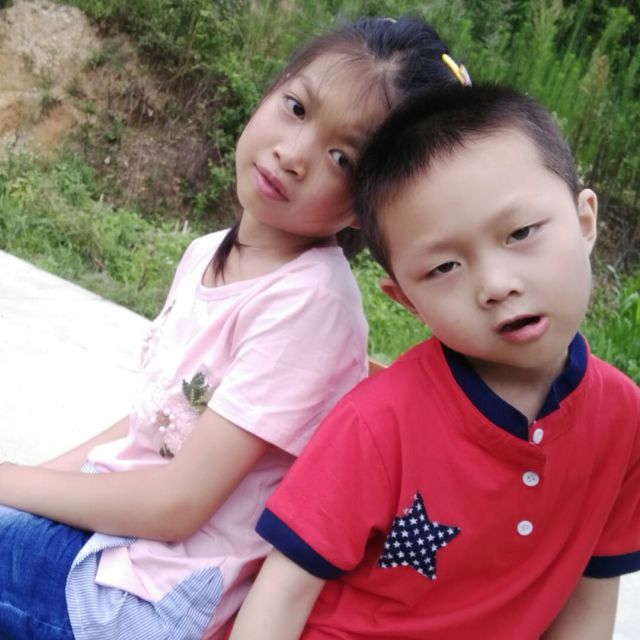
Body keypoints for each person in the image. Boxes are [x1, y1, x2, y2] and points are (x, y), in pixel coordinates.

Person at [0, 16, 471, 640]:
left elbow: (177, 506)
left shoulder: (310, 303)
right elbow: (154, 417)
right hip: (111, 542)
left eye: (341, 157)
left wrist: (9, 483)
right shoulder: (208, 251)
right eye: (296, 107)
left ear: (367, 204)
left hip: (143, 595)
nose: (293, 156)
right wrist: (18, 478)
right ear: (269, 91)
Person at [229, 84, 640, 639]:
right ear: (407, 300)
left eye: (521, 233)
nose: (496, 285)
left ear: (584, 220)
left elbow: (590, 604)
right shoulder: (379, 423)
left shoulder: (623, 420)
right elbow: (284, 588)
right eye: (444, 268)